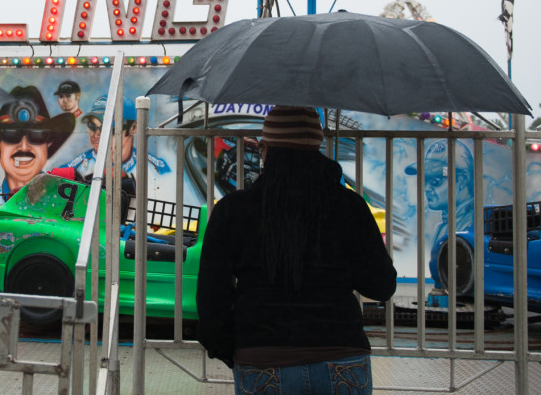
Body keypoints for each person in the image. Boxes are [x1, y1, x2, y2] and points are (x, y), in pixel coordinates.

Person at [196, 106, 396, 395]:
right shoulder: (349, 207)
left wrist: (236, 351)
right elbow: (381, 285)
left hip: (261, 357)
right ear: (318, 148)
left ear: (267, 151)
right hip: (341, 355)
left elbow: (211, 299)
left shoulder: (233, 209)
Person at [0, 85, 75, 196]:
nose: (24, 147)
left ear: (49, 143)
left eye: (36, 135)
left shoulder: (66, 203)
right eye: (11, 135)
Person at [61, 95, 170, 193]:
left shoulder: (160, 171)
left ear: (133, 128)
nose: (97, 134)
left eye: (108, 128)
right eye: (92, 126)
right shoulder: (73, 169)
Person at [404, 139, 474, 247]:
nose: (426, 188)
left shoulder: (473, 224)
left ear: (462, 179)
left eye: (435, 181)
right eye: (424, 180)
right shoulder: (442, 227)